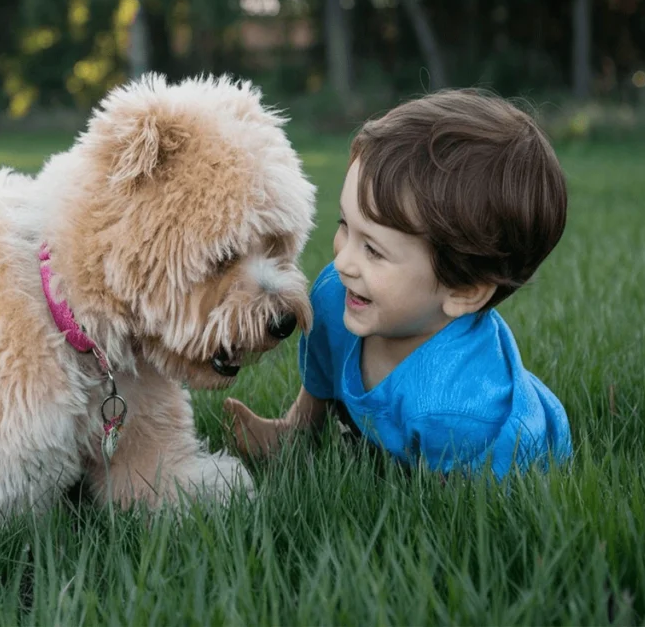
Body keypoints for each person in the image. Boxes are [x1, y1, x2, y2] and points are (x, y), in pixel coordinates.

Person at [224, 89, 572, 480]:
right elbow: (324, 363)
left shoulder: (460, 410)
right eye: (345, 226)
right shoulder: (337, 298)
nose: (342, 261)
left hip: (491, 470)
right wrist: (299, 427)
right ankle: (296, 433)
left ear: (464, 290)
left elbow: (467, 524)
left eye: (373, 249)